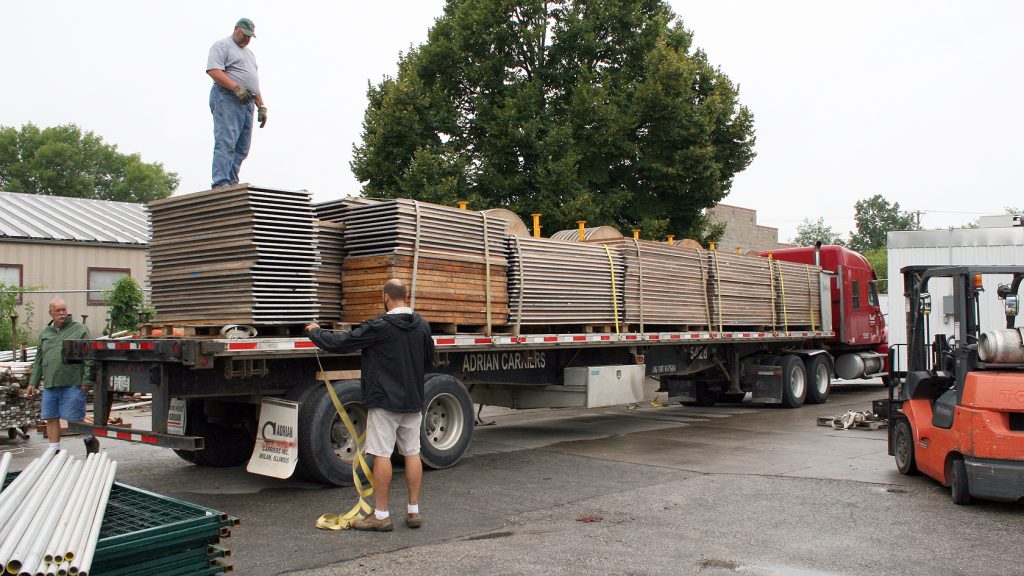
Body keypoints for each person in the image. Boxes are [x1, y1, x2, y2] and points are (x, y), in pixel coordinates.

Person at [305, 279, 435, 531]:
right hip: (413, 400)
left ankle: (382, 515)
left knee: (382, 454)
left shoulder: (380, 326)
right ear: (405, 296)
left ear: (386, 296)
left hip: (385, 401)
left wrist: (315, 332)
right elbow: (429, 360)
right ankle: (413, 511)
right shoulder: (422, 326)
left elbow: (341, 344)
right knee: (412, 452)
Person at [28, 298, 98, 454]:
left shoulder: (79, 329)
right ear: (51, 313)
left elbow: (89, 356)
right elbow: (39, 359)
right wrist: (33, 382)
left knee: (74, 418)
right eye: (58, 311)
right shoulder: (45, 333)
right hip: (51, 384)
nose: (62, 313)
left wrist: (87, 379)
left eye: (63, 310)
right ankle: (55, 451)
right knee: (51, 417)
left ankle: (90, 440)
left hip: (72, 382)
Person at [206, 17, 267, 189]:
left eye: (250, 36)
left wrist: (261, 106)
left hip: (247, 102)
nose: (247, 39)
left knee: (242, 147)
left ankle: (232, 182)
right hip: (227, 97)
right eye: (245, 34)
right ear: (236, 29)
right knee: (227, 140)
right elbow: (214, 71)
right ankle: (221, 182)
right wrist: (236, 88)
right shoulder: (222, 46)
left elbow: (253, 83)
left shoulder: (249, 55)